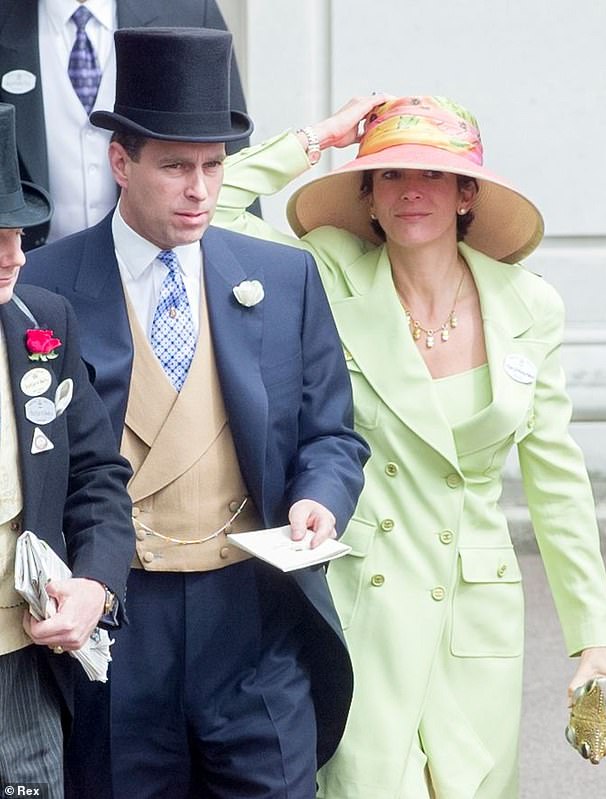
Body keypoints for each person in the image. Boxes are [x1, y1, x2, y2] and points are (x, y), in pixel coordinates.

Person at [213, 94, 606, 798]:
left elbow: (557, 481)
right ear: (366, 198)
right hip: (366, 600)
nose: (411, 192)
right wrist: (318, 137)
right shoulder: (326, 271)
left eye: (432, 176)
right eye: (390, 176)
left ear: (467, 196)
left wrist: (594, 636)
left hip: (478, 611)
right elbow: (209, 209)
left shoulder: (529, 304)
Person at [23, 27, 369, 799]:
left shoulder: (285, 278)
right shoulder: (43, 284)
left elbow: (332, 435)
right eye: (176, 166)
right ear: (121, 162)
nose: (200, 190)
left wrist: (321, 496)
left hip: (255, 620)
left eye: (214, 166)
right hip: (114, 621)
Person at [0, 102, 134, 799]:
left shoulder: (42, 321)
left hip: (24, 660)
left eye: (18, 233)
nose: (15, 257)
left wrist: (94, 585)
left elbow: (96, 474)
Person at [0, 0, 253, 250]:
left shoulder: (189, 9)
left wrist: (244, 274)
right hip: (25, 269)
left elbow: (232, 151)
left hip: (155, 265)